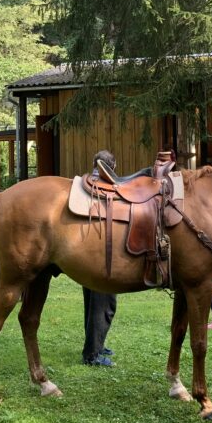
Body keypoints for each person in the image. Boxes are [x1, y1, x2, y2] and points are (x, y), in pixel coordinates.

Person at [82, 150, 118, 367]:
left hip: (85, 253)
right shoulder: (107, 188)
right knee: (105, 301)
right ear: (112, 166)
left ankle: (95, 345)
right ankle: (93, 354)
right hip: (101, 252)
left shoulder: (88, 182)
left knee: (91, 301)